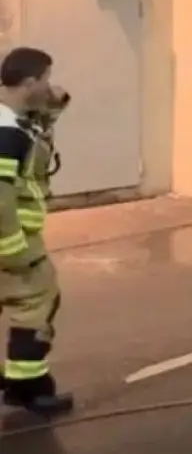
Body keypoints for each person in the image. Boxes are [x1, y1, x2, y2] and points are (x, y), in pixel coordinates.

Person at [0, 47, 73, 414]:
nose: (49, 85)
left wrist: (58, 100)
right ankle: (28, 387)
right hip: (12, 238)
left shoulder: (13, 118)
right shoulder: (7, 134)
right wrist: (12, 248)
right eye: (45, 79)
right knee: (37, 300)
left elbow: (41, 122)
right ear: (29, 83)